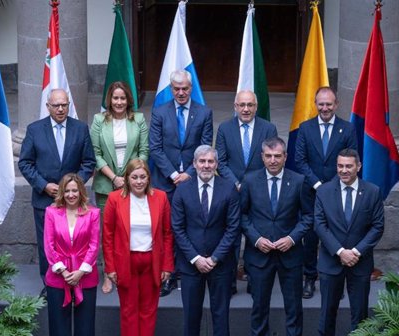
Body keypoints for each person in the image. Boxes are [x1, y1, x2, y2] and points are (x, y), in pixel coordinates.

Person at [239, 137, 313, 336]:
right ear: (262, 157)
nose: (273, 160)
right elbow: (242, 216)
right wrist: (255, 238)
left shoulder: (299, 180)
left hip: (290, 255)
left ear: (284, 157)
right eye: (269, 156)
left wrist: (292, 238)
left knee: (293, 308)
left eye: (277, 156)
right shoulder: (250, 181)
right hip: (259, 255)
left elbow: (308, 217)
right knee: (259, 307)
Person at [313, 148, 384, 336]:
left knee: (359, 314)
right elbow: (320, 225)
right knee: (327, 312)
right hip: (331, 262)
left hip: (360, 263)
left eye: (348, 166)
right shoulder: (323, 191)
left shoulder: (372, 192)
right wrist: (340, 251)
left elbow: (377, 227)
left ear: (358, 166)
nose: (344, 170)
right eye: (340, 166)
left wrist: (355, 251)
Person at [171, 145, 240, 336]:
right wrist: (197, 258)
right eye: (202, 161)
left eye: (211, 161)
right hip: (191, 264)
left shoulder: (229, 188)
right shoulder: (182, 190)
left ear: (217, 164)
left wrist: (215, 258)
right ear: (195, 163)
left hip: (220, 264)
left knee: (221, 311)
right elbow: (177, 229)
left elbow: (233, 229)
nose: (206, 166)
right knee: (191, 312)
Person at [103, 159, 174, 336]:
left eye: (143, 177)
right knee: (128, 311)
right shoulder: (115, 199)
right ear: (127, 178)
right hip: (126, 262)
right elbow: (108, 235)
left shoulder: (160, 197)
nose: (139, 181)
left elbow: (167, 234)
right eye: (134, 177)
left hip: (152, 261)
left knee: (148, 311)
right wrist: (110, 268)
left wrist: (167, 266)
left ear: (148, 178)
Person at [19, 89, 96, 288]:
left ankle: (75, 281)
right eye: (56, 105)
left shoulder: (80, 129)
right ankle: (50, 285)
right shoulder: (34, 129)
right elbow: (25, 163)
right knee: (48, 246)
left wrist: (72, 187)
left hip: (73, 201)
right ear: (48, 107)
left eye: (64, 105)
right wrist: (43, 185)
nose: (61, 109)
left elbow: (89, 162)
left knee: (74, 242)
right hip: (45, 199)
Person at [149, 69, 213, 297]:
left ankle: (189, 271)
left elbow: (205, 146)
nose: (181, 92)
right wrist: (173, 175)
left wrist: (188, 173)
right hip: (165, 184)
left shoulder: (204, 112)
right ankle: (168, 274)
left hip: (193, 181)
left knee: (190, 227)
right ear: (170, 88)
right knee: (166, 230)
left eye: (185, 88)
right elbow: (155, 148)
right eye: (176, 89)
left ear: (191, 88)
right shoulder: (159, 112)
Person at [294, 86, 357, 299]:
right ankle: (309, 279)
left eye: (329, 104)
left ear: (336, 105)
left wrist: (332, 187)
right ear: (315, 104)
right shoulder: (305, 128)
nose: (325, 108)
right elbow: (300, 161)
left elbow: (351, 159)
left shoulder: (347, 129)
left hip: (339, 194)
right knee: (311, 238)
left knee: (337, 237)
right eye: (321, 104)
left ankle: (335, 283)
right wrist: (319, 185)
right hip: (311, 194)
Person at [215, 89, 279, 294]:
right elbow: (221, 162)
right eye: (242, 105)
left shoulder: (268, 128)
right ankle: (230, 283)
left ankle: (255, 281)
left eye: (250, 105)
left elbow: (270, 161)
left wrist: (251, 184)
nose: (246, 109)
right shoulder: (225, 128)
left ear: (256, 107)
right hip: (232, 192)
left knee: (255, 236)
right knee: (231, 237)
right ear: (235, 107)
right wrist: (236, 183)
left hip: (258, 192)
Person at [90, 81, 149, 294]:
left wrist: (130, 177)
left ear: (128, 100)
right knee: (108, 231)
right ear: (109, 100)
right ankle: (108, 273)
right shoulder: (99, 120)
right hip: (107, 185)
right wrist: (114, 177)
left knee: (129, 228)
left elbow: (144, 151)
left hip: (134, 186)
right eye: (115, 98)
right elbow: (95, 153)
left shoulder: (139, 119)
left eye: (122, 98)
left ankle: (128, 269)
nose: (119, 102)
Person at [43, 173, 100, 336]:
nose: (71, 194)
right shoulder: (51, 212)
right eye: (67, 190)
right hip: (59, 275)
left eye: (74, 190)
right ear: (61, 192)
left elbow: (94, 245)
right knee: (59, 320)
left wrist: (80, 271)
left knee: (85, 320)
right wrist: (65, 272)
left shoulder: (93, 213)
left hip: (85, 274)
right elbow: (48, 245)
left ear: (81, 191)